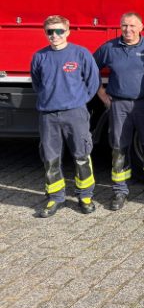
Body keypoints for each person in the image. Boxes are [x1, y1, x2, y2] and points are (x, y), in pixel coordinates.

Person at [93, 11, 144, 211]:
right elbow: (90, 70)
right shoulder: (109, 48)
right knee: (119, 147)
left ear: (141, 27)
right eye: (124, 25)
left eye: (132, 26)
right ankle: (120, 190)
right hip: (118, 104)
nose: (128, 29)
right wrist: (101, 94)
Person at [31, 15, 100, 217]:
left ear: (68, 32)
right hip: (48, 115)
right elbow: (37, 84)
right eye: (50, 31)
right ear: (45, 34)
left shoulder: (80, 54)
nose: (55, 35)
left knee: (81, 155)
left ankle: (85, 196)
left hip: (75, 113)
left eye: (59, 31)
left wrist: (78, 101)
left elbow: (93, 82)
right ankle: (55, 197)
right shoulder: (39, 57)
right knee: (50, 158)